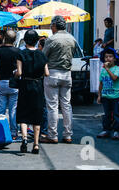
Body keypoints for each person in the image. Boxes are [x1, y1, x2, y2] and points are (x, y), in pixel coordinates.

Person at [41, 15, 77, 144]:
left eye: (51, 26)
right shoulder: (72, 38)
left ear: (55, 26)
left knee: (52, 106)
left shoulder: (52, 39)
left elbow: (43, 56)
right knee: (66, 105)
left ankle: (52, 135)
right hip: (67, 74)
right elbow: (74, 53)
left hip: (53, 73)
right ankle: (68, 135)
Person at [14, 30, 49, 154]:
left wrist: (15, 74)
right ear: (36, 41)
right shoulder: (42, 55)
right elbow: (47, 73)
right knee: (37, 114)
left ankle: (24, 138)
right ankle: (36, 144)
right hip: (38, 86)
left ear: (25, 40)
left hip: (25, 85)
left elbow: (19, 73)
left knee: (23, 113)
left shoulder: (21, 54)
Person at [0, 30, 22, 140]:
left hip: (1, 81)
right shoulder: (18, 51)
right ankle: (14, 132)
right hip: (14, 82)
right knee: (13, 109)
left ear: (4, 38)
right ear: (15, 40)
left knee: (1, 108)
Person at [96, 47, 119, 140]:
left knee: (116, 114)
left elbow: (115, 78)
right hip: (106, 96)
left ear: (114, 58)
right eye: (106, 57)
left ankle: (116, 131)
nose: (108, 59)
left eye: (110, 57)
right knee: (106, 114)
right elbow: (101, 83)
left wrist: (107, 69)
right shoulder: (103, 70)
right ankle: (106, 130)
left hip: (115, 96)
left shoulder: (116, 69)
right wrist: (99, 95)